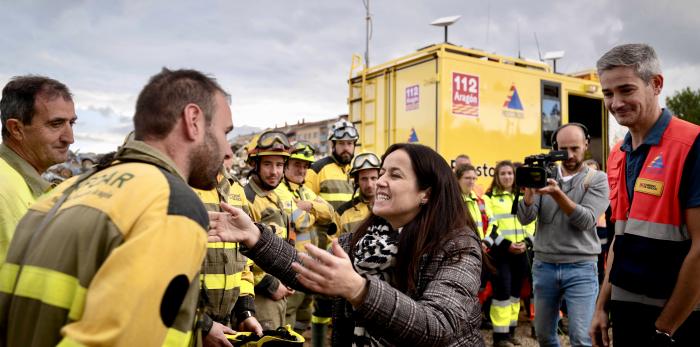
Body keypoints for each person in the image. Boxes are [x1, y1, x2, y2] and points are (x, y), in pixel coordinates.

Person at [0, 68, 233, 346]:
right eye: (224, 132)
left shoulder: (67, 190)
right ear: (193, 120)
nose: (228, 150)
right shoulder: (169, 202)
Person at [208, 143, 484, 346]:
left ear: (426, 193)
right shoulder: (362, 240)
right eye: (381, 173)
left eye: (394, 175)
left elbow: (438, 326)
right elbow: (309, 271)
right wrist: (255, 237)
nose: (380, 182)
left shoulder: (457, 246)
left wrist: (357, 289)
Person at [590, 43, 700, 347]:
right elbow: (619, 238)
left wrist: (665, 329)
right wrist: (602, 307)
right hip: (628, 315)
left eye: (626, 90)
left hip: (680, 319)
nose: (616, 103)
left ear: (656, 84)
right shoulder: (618, 154)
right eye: (608, 94)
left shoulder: (692, 144)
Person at [516, 123, 609, 347]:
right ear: (554, 147)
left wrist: (557, 194)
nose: (569, 155)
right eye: (563, 148)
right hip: (544, 265)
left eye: (575, 148)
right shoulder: (545, 175)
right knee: (545, 336)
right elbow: (525, 218)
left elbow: (586, 220)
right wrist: (529, 193)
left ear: (586, 144)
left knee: (581, 338)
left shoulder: (597, 179)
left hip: (581, 268)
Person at [0, 75, 76, 264]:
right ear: (16, 129)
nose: (69, 138)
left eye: (71, 123)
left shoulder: (24, 183)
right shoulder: (3, 187)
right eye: (56, 124)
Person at [193, 166, 263, 346]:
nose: (229, 150)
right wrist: (204, 325)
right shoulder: (182, 184)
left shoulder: (236, 188)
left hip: (224, 327)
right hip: (187, 327)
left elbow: (243, 260)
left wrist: (245, 311)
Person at [304, 119, 358, 344]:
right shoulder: (318, 169)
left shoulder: (358, 171)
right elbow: (305, 203)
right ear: (333, 145)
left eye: (350, 143)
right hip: (324, 245)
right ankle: (317, 342)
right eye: (341, 143)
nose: (346, 147)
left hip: (351, 246)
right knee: (323, 302)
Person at [276, 141, 337, 334]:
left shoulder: (305, 191)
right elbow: (300, 221)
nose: (302, 170)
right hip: (290, 268)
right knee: (288, 318)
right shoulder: (278, 190)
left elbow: (330, 213)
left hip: (309, 268)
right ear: (286, 165)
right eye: (297, 165)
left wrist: (309, 206)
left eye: (305, 166)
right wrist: (314, 213)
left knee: (304, 317)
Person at [243, 130, 296, 331]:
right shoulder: (246, 199)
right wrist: (271, 285)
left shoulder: (274, 197)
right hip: (260, 298)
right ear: (254, 165)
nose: (274, 171)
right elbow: (240, 256)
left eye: (280, 165)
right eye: (267, 164)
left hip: (280, 291)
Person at [482, 160, 535, 347]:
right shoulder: (489, 199)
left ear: (515, 176)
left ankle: (510, 332)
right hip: (500, 253)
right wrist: (507, 245)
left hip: (521, 252)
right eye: (503, 173)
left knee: (515, 293)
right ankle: (499, 337)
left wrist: (525, 242)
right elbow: (491, 226)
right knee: (502, 292)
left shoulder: (522, 197)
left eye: (510, 173)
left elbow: (531, 224)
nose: (507, 177)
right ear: (496, 176)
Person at [336, 152, 380, 235]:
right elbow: (333, 244)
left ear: (380, 178)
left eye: (373, 178)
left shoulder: (392, 207)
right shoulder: (342, 214)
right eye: (364, 179)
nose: (369, 185)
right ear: (357, 181)